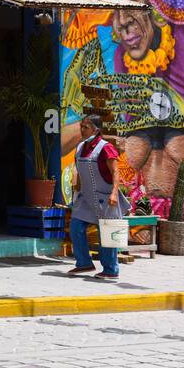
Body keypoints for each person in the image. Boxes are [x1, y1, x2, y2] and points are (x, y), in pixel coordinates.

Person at [69, 113, 123, 279]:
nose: (82, 129)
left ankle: (111, 269)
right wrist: (76, 194)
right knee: (75, 226)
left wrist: (114, 193)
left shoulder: (106, 147)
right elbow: (79, 173)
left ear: (96, 130)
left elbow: (116, 171)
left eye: (86, 127)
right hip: (85, 196)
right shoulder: (80, 147)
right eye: (81, 126)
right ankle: (84, 263)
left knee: (107, 233)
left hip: (105, 197)